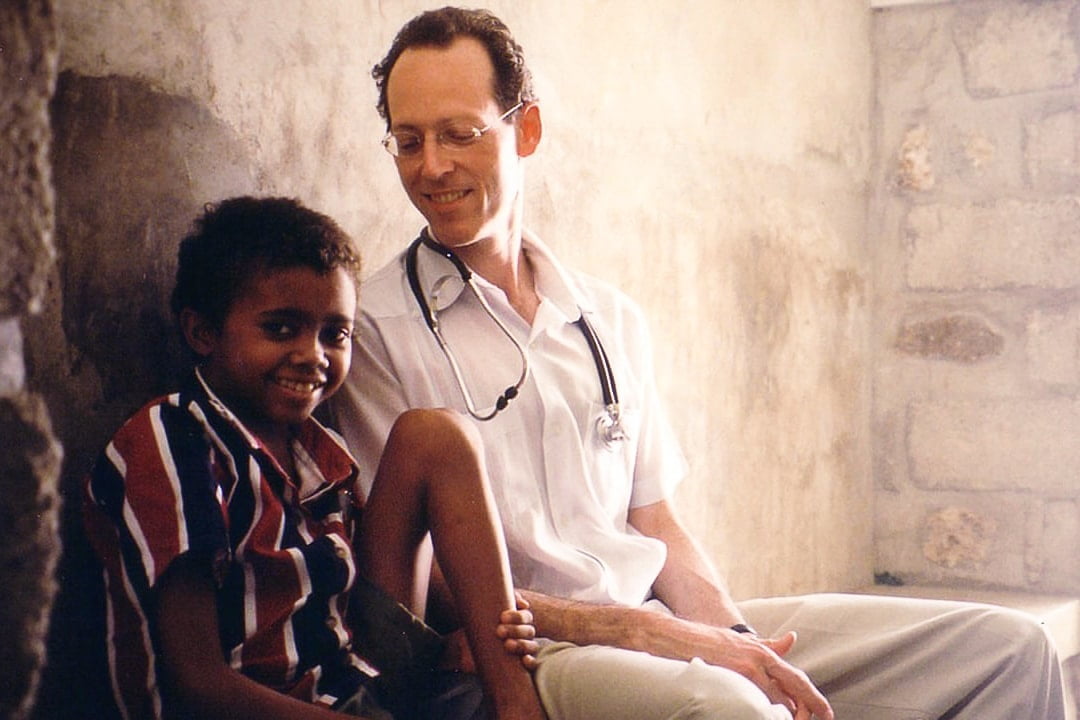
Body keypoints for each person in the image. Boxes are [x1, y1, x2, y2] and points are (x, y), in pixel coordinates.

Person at [326, 7, 1068, 720]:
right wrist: (651, 637)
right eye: (408, 140)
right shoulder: (375, 331)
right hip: (536, 651)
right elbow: (416, 579)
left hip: (654, 625)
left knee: (1007, 650)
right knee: (726, 708)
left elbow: (657, 523)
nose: (432, 166)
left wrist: (738, 642)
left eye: (459, 133)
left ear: (528, 129)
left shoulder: (606, 318)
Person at [82, 196, 545, 720]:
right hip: (253, 709)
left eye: (335, 334)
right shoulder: (172, 439)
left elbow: (353, 608)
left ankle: (516, 705)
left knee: (437, 436)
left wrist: (457, 643)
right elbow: (197, 684)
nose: (313, 355)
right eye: (280, 328)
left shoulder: (318, 451)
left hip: (354, 687)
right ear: (202, 332)